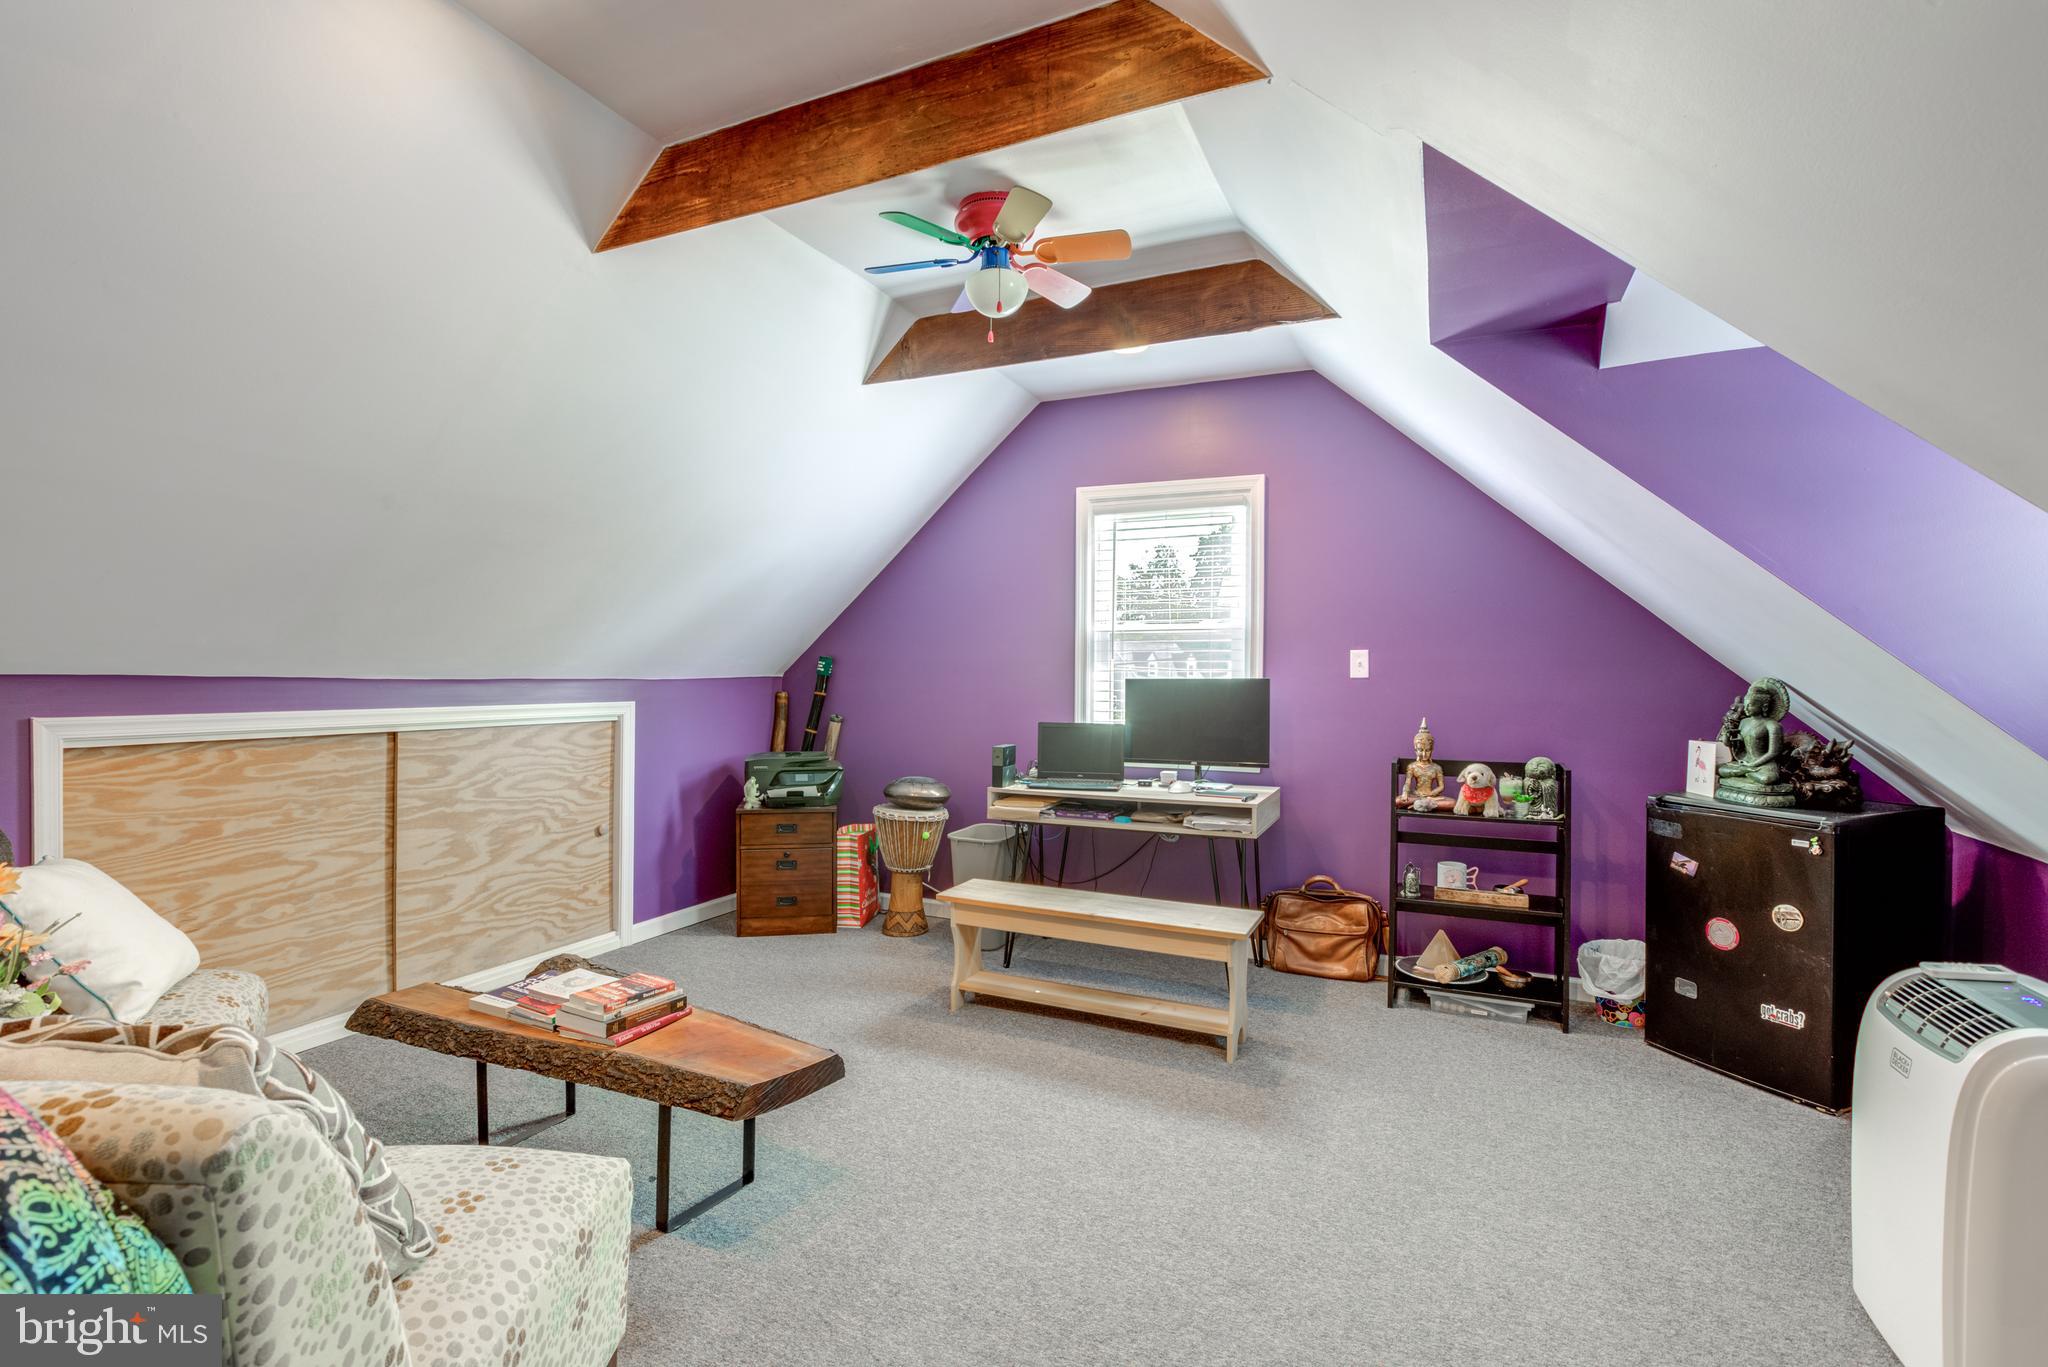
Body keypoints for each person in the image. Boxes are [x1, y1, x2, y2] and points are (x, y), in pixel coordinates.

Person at [1395, 718, 1447, 811]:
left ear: (1431, 750)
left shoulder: (1436, 767)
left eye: (1427, 750)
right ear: (1415, 750)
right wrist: (1405, 793)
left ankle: (1419, 805)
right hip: (1416, 796)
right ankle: (1423, 804)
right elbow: (1407, 783)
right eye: (1420, 750)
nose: (1424, 754)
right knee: (1398, 801)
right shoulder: (1412, 766)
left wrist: (1431, 793)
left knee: (1452, 803)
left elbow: (1441, 786)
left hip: (1431, 797)